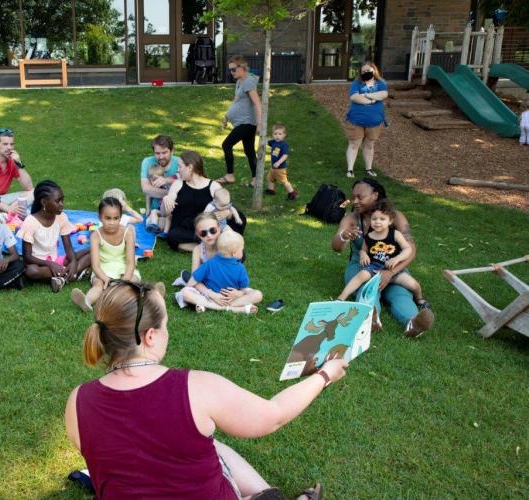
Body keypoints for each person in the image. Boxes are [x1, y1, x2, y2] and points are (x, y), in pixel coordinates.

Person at [65, 280, 343, 499]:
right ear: (150, 336)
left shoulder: (78, 400)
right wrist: (324, 375)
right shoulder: (195, 387)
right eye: (165, 326)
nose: (167, 333)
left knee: (205, 441)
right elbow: (274, 415)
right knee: (215, 448)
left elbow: (117, 456)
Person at [331, 178, 434, 338]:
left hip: (392, 266)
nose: (355, 201)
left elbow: (411, 249)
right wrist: (344, 236)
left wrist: (391, 273)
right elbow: (336, 247)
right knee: (366, 289)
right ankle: (371, 318)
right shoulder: (352, 218)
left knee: (400, 293)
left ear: (375, 195)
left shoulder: (395, 217)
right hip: (362, 266)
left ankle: (413, 323)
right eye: (354, 197)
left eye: (360, 197)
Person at [161, 150, 246, 252]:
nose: (177, 170)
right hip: (188, 228)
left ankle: (212, 243)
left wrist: (227, 212)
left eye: (180, 166)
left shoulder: (213, 185)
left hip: (209, 227)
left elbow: (225, 204)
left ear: (190, 167)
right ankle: (213, 247)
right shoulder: (178, 184)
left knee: (240, 219)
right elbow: (165, 211)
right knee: (173, 236)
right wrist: (167, 199)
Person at [71, 197, 140, 312]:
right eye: (108, 218)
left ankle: (143, 298)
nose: (112, 223)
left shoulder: (128, 232)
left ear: (121, 218)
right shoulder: (95, 236)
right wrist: (104, 278)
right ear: (100, 218)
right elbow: (95, 265)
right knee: (98, 285)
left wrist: (125, 279)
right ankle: (86, 301)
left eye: (116, 218)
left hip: (123, 269)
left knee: (133, 281)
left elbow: (130, 262)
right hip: (103, 270)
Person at [20, 180, 90, 293]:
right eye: (58, 201)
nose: (62, 204)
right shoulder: (31, 222)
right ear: (44, 202)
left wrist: (73, 262)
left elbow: (69, 248)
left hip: (56, 260)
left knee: (92, 252)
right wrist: (50, 264)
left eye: (62, 200)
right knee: (31, 271)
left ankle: (62, 278)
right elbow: (27, 257)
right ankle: (72, 274)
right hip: (39, 264)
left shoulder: (61, 217)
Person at [180, 231, 262, 314]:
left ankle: (211, 306)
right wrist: (240, 293)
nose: (242, 251)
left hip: (210, 298)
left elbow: (194, 279)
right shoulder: (240, 268)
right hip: (230, 299)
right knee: (258, 295)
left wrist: (186, 288)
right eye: (241, 249)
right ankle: (232, 308)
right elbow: (244, 288)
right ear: (234, 253)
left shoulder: (210, 263)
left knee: (185, 292)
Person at [217, 55, 261, 187]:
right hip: (243, 122)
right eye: (230, 70)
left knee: (226, 145)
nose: (231, 72)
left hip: (247, 123)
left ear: (242, 67)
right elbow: (236, 100)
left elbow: (257, 103)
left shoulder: (248, 81)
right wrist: (226, 116)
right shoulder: (239, 81)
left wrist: (260, 124)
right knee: (249, 151)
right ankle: (255, 178)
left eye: (233, 69)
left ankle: (230, 175)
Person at [344, 62, 387, 178]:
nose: (365, 73)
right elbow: (354, 97)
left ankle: (369, 168)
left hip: (374, 122)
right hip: (356, 121)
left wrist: (367, 95)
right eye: (363, 72)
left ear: (374, 70)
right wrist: (372, 99)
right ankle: (350, 170)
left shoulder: (381, 83)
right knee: (354, 144)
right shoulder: (356, 83)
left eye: (368, 70)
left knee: (369, 145)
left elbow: (383, 94)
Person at [140, 135, 179, 230]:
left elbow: (186, 184)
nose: (161, 157)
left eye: (164, 152)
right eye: (157, 153)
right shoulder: (147, 162)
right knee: (158, 224)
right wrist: (172, 195)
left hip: (174, 208)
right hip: (156, 208)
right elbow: (146, 189)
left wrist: (166, 181)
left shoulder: (180, 163)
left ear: (172, 150)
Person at [265, 124, 297, 200]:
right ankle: (271, 190)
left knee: (284, 181)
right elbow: (267, 142)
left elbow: (285, 155)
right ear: (273, 134)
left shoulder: (283, 145)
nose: (277, 136)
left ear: (284, 135)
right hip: (273, 167)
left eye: (280, 134)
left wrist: (279, 162)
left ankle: (292, 193)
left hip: (280, 168)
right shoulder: (273, 142)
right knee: (270, 178)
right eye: (275, 134)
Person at [144, 164, 172, 235]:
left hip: (166, 211)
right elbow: (148, 196)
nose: (154, 182)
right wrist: (148, 209)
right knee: (153, 213)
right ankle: (154, 225)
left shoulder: (166, 187)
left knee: (169, 217)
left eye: (157, 179)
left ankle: (165, 233)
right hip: (158, 211)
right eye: (152, 180)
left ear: (162, 178)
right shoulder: (152, 188)